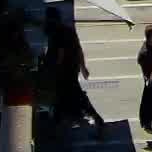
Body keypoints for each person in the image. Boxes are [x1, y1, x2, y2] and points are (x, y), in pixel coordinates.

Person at [43, 8, 107, 137]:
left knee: (69, 97)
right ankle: (56, 125)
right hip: (72, 69)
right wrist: (83, 67)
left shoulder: (57, 33)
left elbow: (60, 54)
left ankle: (97, 120)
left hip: (64, 72)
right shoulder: (68, 31)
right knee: (65, 97)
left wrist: (53, 69)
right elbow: (78, 49)